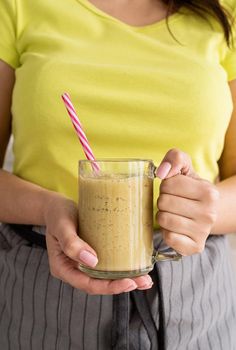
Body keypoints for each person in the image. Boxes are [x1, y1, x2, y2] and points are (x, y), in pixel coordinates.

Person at [0, 0, 236, 349]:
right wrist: (47, 207)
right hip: (46, 291)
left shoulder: (227, 11)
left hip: (194, 298)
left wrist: (208, 207)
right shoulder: (15, 6)